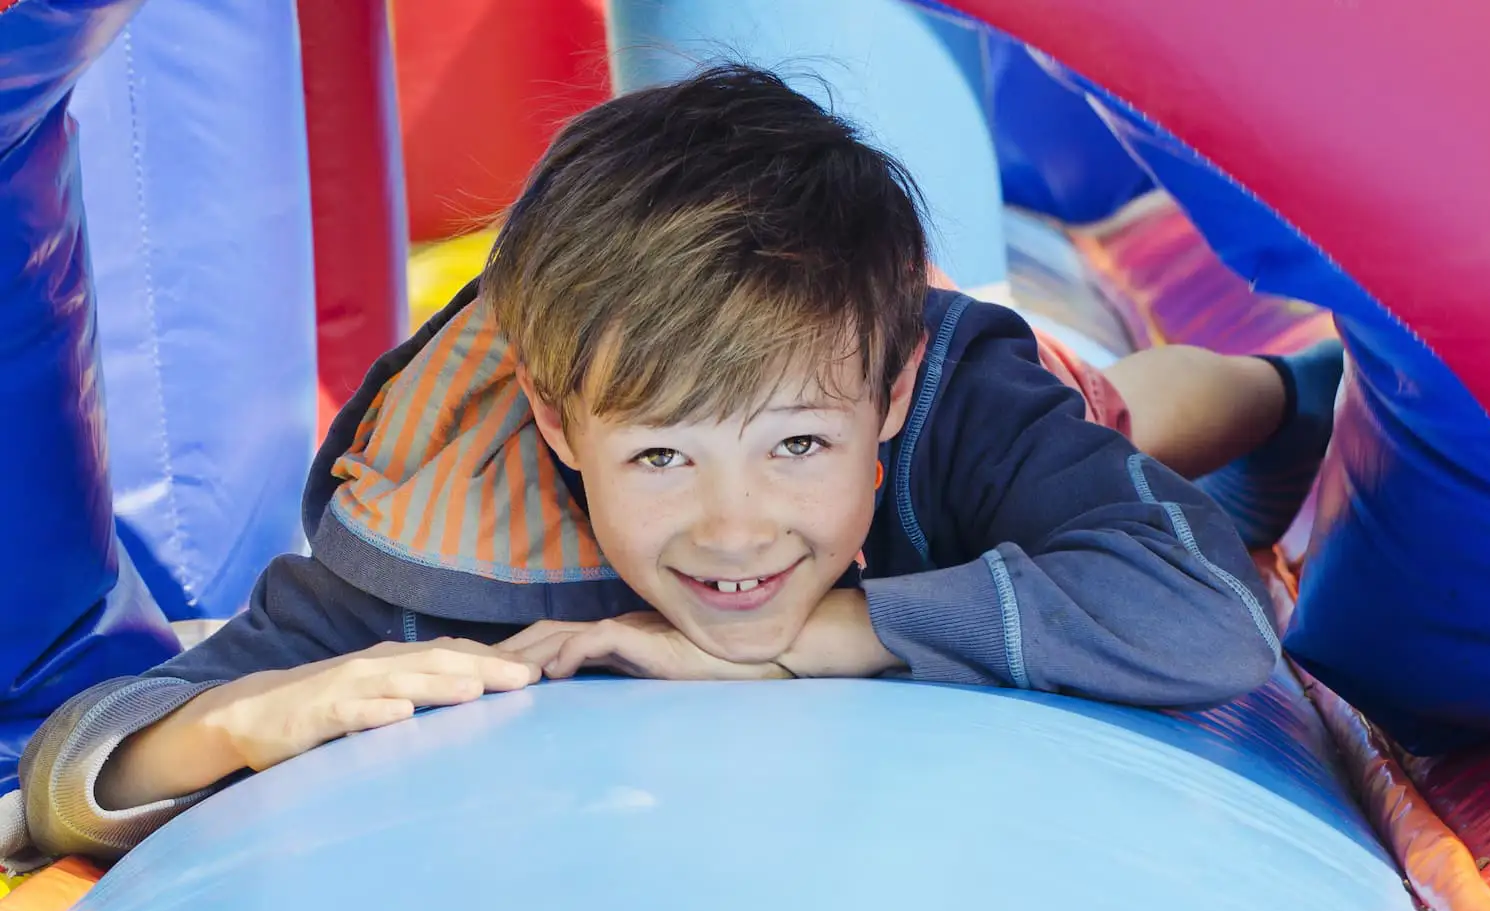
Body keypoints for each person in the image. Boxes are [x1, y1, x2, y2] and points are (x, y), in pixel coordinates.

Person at [5, 64, 1339, 869]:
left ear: (878, 399)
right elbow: (75, 761)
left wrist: (814, 636)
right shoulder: (455, 512)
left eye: (795, 450)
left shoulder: (945, 392)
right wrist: (234, 721)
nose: (734, 525)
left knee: (1130, 410)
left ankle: (1294, 387)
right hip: (732, 367)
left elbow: (1207, 612)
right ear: (556, 419)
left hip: (978, 396)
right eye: (658, 456)